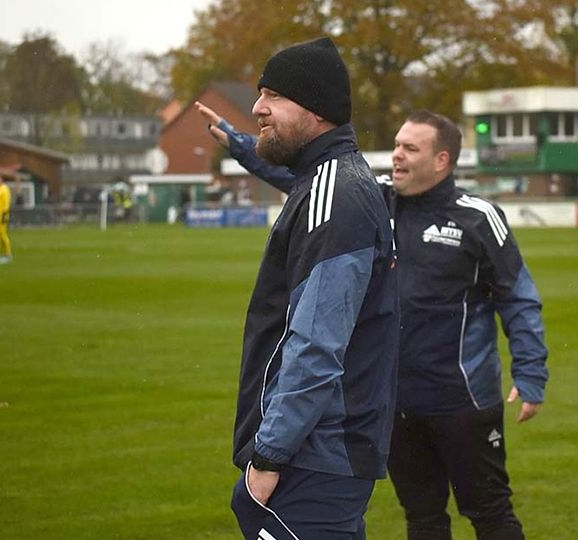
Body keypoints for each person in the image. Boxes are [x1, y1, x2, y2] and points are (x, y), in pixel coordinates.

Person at [200, 103, 549, 539]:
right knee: (422, 518)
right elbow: (300, 179)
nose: (397, 155)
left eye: (410, 148)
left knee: (490, 513)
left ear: (442, 160)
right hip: (394, 403)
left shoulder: (478, 217)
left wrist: (531, 373)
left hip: (464, 403)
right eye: (397, 145)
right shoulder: (372, 197)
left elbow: (519, 299)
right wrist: (241, 146)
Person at [200, 37, 399, 540]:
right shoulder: (327, 180)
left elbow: (316, 345)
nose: (256, 108)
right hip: (324, 454)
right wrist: (240, 143)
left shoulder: (336, 195)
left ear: (316, 109)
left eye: (273, 96)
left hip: (314, 456)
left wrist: (269, 456)